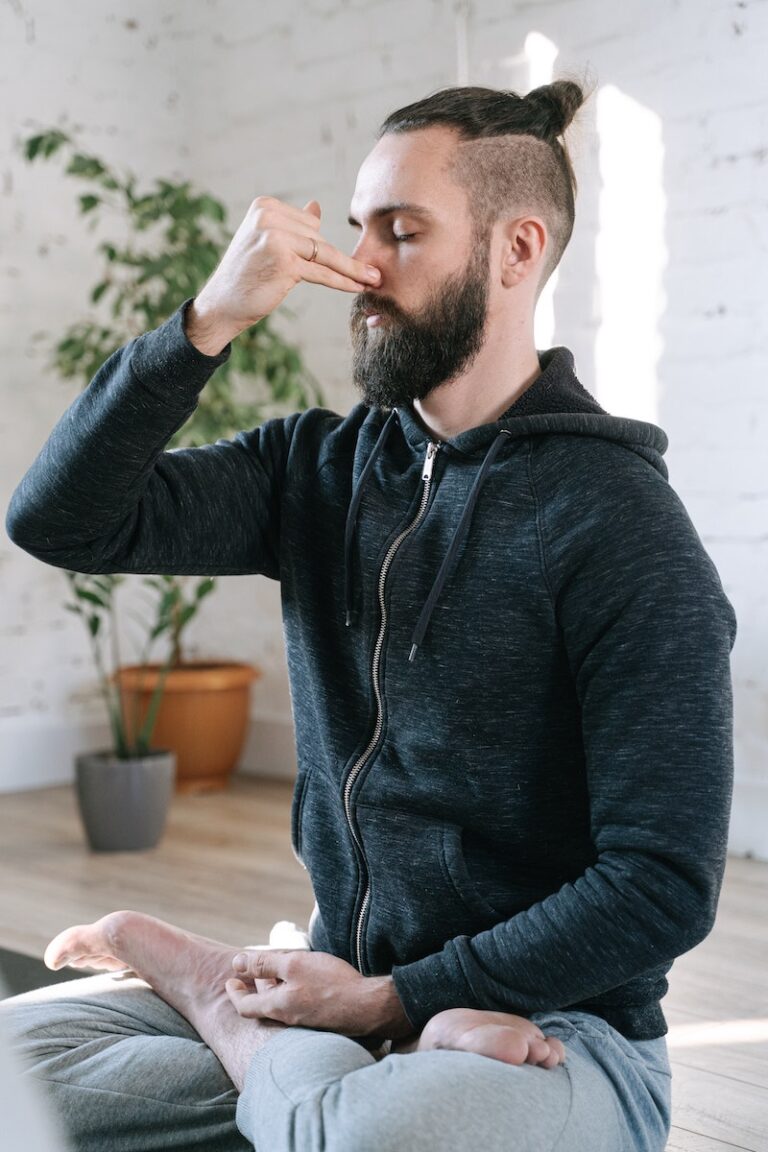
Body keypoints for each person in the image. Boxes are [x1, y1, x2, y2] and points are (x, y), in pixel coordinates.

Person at [2, 79, 736, 1152]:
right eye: (358, 228)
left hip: (561, 1033)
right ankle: (281, 1057)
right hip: (339, 997)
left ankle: (243, 1031)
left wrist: (395, 1002)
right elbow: (59, 519)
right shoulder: (319, 469)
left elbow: (661, 888)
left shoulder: (623, 527)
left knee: (369, 1137)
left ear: (516, 249)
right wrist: (207, 321)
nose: (360, 266)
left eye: (402, 230)